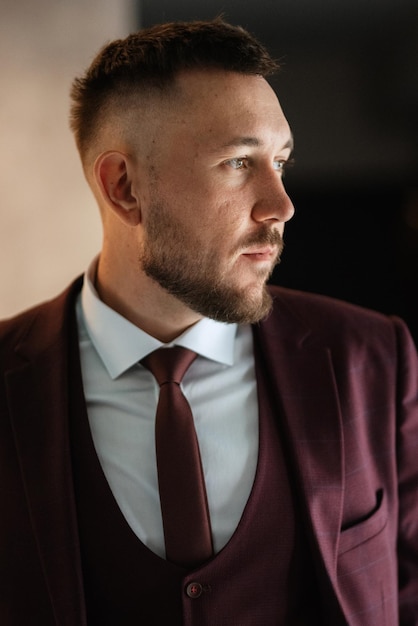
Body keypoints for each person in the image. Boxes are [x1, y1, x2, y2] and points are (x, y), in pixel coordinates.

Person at [0, 18, 417, 626]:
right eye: (238, 163)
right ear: (124, 187)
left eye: (280, 161)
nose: (282, 205)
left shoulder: (372, 356)